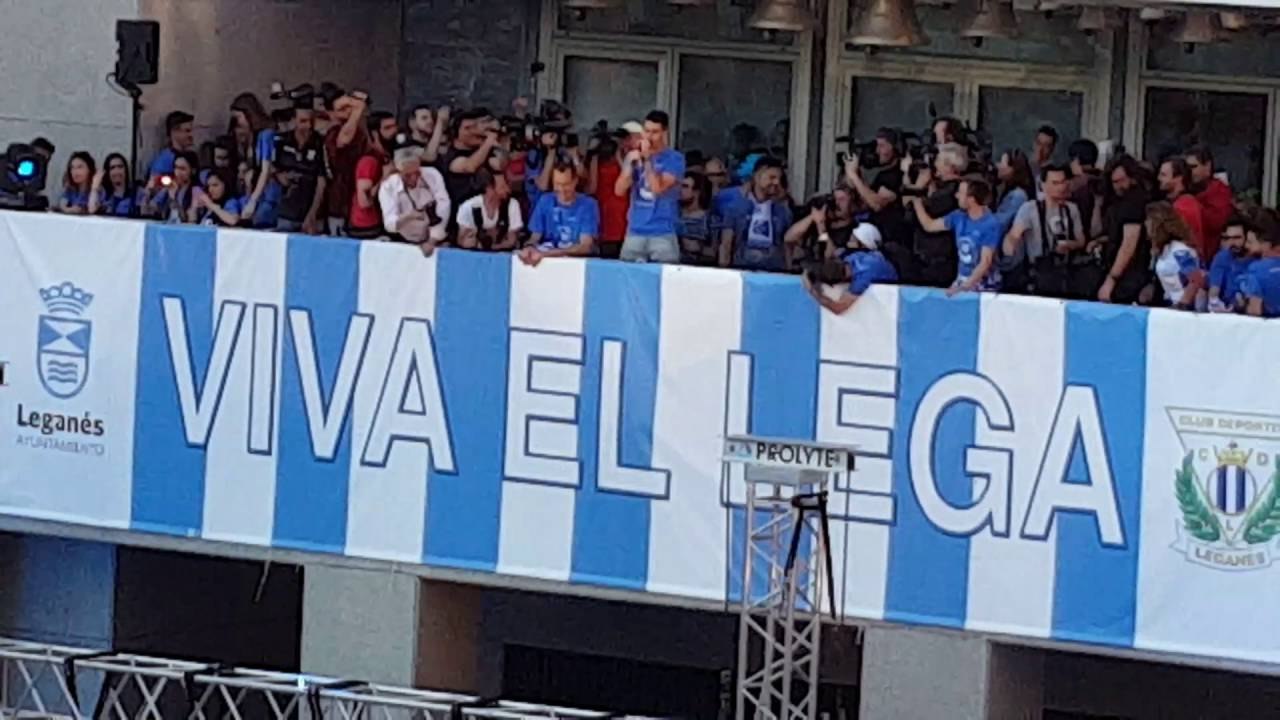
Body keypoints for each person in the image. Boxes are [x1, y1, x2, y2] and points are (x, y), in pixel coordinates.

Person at [1002, 164, 1086, 297]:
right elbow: (1014, 234)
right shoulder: (1030, 209)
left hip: (1067, 275)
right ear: (1043, 185)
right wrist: (1010, 244)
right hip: (1039, 274)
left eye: (1063, 182)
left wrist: (1070, 245)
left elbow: (1081, 240)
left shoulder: (1072, 209)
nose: (1061, 187)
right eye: (1055, 183)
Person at [910, 174, 1001, 295]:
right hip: (962, 280)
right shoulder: (957, 216)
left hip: (984, 284)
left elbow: (985, 262)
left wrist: (965, 286)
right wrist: (917, 203)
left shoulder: (990, 224)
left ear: (971, 199)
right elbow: (930, 226)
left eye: (960, 193)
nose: (956, 195)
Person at [615, 110, 685, 263]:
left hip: (662, 232)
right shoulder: (634, 155)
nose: (649, 136)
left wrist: (647, 160)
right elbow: (619, 190)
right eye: (647, 131)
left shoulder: (674, 159)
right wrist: (629, 165)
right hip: (635, 230)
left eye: (655, 132)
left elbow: (657, 189)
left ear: (665, 132)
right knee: (628, 280)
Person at [902, 142, 967, 287]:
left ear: (949, 165)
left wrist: (917, 188)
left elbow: (911, 212)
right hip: (931, 257)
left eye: (937, 160)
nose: (934, 165)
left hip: (938, 260)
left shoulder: (952, 192)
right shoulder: (945, 189)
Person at [719, 156, 792, 271]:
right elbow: (726, 243)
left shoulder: (782, 211)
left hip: (774, 272)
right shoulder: (736, 207)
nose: (776, 182)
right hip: (742, 270)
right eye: (772, 177)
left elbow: (787, 246)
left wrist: (789, 271)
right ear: (757, 177)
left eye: (779, 178)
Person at [1097, 155, 1152, 305]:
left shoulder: (1133, 203)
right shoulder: (1118, 204)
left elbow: (1129, 243)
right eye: (1115, 182)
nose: (1118, 186)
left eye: (1122, 180)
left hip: (1129, 277)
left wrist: (1111, 279)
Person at [521, 163, 598, 266]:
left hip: (576, 263)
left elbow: (585, 246)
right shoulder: (545, 201)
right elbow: (535, 237)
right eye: (557, 184)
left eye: (566, 184)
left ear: (575, 181)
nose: (561, 190)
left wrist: (547, 254)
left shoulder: (588, 205)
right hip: (546, 262)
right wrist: (529, 247)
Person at [378, 146, 450, 253]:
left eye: (417, 173)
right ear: (398, 171)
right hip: (404, 240)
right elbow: (389, 224)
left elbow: (444, 206)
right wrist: (409, 216)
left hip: (434, 237)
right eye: (407, 175)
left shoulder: (432, 175)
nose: (413, 178)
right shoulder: (388, 187)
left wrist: (432, 240)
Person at [272, 105, 329, 234]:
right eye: (303, 121)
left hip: (312, 210)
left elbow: (322, 181)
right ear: (293, 121)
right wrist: (279, 176)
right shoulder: (281, 140)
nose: (308, 126)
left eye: (311, 121)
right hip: (286, 211)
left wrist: (313, 213)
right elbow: (269, 167)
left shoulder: (320, 143)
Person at [845, 129, 906, 247]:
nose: (877, 151)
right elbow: (866, 199)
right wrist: (855, 174)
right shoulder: (882, 174)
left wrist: (854, 176)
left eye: (882, 146)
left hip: (892, 240)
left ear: (896, 148)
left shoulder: (898, 174)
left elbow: (877, 204)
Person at [323, 93, 370, 236]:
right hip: (339, 200)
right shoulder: (334, 133)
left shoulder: (362, 133)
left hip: (360, 199)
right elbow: (344, 140)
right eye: (343, 108)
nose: (349, 111)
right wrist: (357, 110)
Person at [1145, 201, 1205, 310]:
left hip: (1184, 307)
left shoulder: (1179, 251)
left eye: (1148, 220)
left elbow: (1196, 279)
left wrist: (1182, 305)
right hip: (1171, 303)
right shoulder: (1164, 250)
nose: (1146, 224)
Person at [802, 250, 898, 315]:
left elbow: (839, 308)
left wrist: (813, 292)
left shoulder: (861, 281)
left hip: (893, 288)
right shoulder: (853, 257)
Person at [586, 126, 633, 259]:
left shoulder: (625, 160)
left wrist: (619, 152)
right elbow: (592, 187)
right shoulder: (596, 162)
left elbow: (629, 178)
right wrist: (594, 153)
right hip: (604, 214)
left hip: (623, 214)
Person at [1185, 145, 1233, 262]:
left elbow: (1216, 222)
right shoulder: (1186, 191)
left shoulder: (1219, 192)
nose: (1189, 172)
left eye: (1193, 167)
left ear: (1207, 166)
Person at [457, 169, 523, 251]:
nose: (508, 190)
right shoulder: (468, 207)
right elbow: (462, 241)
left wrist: (489, 247)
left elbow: (511, 241)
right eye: (502, 186)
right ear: (489, 188)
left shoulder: (512, 204)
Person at [347, 123, 390, 240]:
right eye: (387, 128)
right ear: (374, 136)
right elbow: (364, 202)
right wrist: (385, 177)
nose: (392, 133)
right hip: (366, 225)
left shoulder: (383, 159)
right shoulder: (369, 161)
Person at [1158, 157, 1206, 257]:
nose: (1159, 178)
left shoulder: (1183, 206)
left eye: (1164, 175)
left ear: (1179, 177)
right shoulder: (1185, 203)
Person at [1240, 208, 1280, 318]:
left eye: (1250, 242)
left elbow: (1254, 311)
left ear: (1266, 243)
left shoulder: (1256, 270)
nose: (1246, 246)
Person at [1207, 215, 1251, 313]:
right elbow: (1214, 289)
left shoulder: (1258, 259)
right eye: (1228, 238)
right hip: (1226, 311)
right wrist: (1215, 302)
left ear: (1248, 238)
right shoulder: (1221, 257)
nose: (1232, 242)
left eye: (1237, 238)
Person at [142, 150, 198, 223]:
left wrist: (173, 198)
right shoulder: (169, 187)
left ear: (193, 171)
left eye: (182, 169)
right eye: (176, 167)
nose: (178, 172)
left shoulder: (196, 191)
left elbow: (186, 220)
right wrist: (147, 192)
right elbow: (147, 212)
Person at [147, 111, 195, 182]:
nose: (191, 135)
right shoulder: (163, 161)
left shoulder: (191, 157)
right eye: (187, 131)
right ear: (174, 132)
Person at [678, 171, 715, 265]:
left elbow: (716, 251)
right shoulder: (671, 214)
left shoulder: (710, 220)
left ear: (697, 192)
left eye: (685, 186)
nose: (679, 190)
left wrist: (699, 248)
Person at [89, 152, 138, 218]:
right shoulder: (103, 194)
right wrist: (94, 187)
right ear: (107, 172)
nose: (117, 171)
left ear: (125, 169)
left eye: (120, 167)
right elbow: (92, 210)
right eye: (112, 168)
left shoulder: (137, 192)